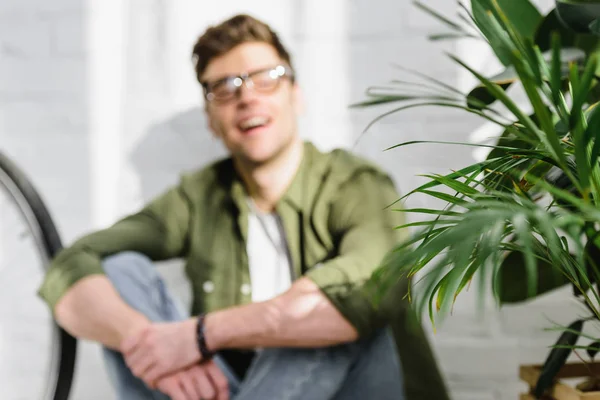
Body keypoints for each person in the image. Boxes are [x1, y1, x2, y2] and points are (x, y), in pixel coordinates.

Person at [38, 13, 449, 400]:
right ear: (211, 119)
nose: (247, 97)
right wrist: (149, 345)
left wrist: (198, 335)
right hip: (249, 389)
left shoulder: (357, 184)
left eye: (266, 78)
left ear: (297, 95)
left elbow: (364, 295)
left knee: (324, 310)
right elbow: (69, 265)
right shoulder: (198, 197)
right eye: (225, 87)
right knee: (119, 270)